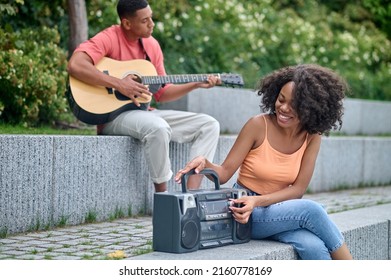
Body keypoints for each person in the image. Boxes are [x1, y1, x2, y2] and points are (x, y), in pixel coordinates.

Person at [175, 64, 353, 260]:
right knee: (312, 210)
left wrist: (258, 201)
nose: (283, 108)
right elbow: (224, 173)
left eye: (293, 105)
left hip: (279, 210)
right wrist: (205, 163)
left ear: (310, 108)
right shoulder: (258, 125)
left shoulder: (312, 136)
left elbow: (298, 189)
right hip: (247, 212)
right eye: (281, 100)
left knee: (314, 247)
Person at [67, 0, 221, 192]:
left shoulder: (152, 46)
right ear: (127, 23)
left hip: (144, 111)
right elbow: (76, 65)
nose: (152, 24)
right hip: (112, 117)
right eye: (145, 20)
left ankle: (190, 196)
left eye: (151, 18)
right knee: (158, 127)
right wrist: (120, 83)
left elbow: (162, 93)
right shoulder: (109, 37)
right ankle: (163, 198)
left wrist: (196, 84)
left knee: (209, 125)